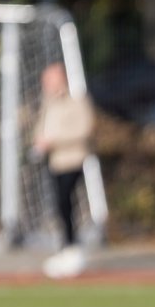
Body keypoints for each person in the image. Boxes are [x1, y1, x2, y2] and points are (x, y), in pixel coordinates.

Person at [33, 63, 94, 279]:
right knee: (59, 205)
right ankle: (65, 246)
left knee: (67, 201)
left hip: (72, 160)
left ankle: (73, 248)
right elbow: (41, 127)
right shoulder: (48, 104)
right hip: (54, 162)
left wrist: (54, 141)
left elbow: (84, 128)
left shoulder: (76, 101)